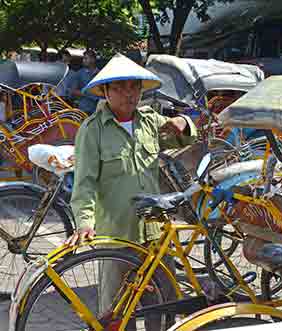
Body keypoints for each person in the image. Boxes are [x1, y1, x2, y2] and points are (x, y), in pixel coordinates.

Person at [66, 53, 197, 330]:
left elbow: (184, 136)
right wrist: (85, 223)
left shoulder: (149, 120)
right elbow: (85, 183)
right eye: (120, 87)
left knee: (163, 305)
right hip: (117, 234)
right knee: (116, 312)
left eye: (134, 86)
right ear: (105, 91)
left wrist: (185, 123)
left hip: (154, 231)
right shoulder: (92, 130)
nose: (129, 93)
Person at [71, 49, 100, 114]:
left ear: (93, 60)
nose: (83, 60)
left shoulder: (101, 74)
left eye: (86, 58)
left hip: (98, 110)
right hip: (83, 110)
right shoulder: (79, 73)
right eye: (83, 58)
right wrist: (88, 94)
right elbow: (73, 91)